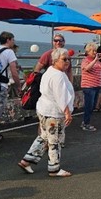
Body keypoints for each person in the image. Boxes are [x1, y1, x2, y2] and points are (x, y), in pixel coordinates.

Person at [17, 47, 74, 177]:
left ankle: (27, 161)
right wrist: (67, 113)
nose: (67, 62)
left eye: (69, 59)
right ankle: (54, 168)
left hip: (44, 109)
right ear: (55, 60)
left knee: (44, 137)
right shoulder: (58, 75)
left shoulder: (50, 71)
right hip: (53, 113)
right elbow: (61, 96)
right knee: (55, 140)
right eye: (64, 59)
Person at [80, 42, 101, 131]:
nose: (95, 52)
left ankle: (86, 121)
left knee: (93, 105)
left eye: (95, 51)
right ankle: (86, 123)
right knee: (89, 105)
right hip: (88, 86)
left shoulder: (97, 60)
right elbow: (86, 68)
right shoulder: (85, 60)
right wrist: (95, 60)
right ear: (88, 51)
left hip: (96, 85)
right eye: (93, 51)